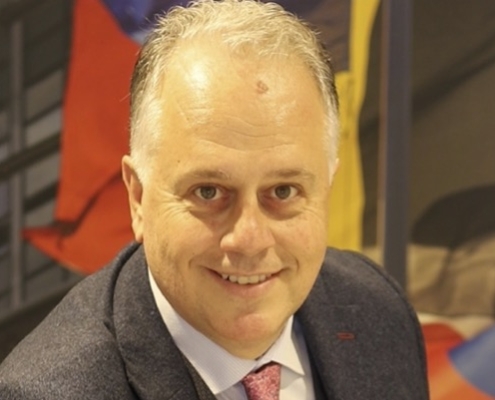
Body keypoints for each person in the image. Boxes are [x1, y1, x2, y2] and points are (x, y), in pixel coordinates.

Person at [0, 1, 429, 399]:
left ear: (327, 188)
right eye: (208, 192)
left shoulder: (378, 310)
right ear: (138, 197)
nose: (249, 239)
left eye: (283, 191)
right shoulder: (50, 392)